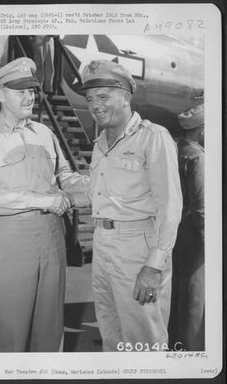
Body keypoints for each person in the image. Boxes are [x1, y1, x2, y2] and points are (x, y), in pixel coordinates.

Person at [0, 57, 89, 352]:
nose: (29, 97)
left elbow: (64, 176)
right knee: (11, 330)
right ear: (0, 94)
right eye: (20, 91)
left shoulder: (45, 133)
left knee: (50, 328)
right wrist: (44, 200)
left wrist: (97, 182)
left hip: (51, 237)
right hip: (11, 239)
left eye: (32, 90)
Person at [80, 60, 183, 352]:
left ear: (125, 96)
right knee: (111, 332)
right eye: (90, 99)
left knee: (144, 337)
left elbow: (170, 206)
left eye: (103, 97)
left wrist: (153, 265)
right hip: (102, 244)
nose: (94, 106)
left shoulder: (153, 137)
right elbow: (102, 193)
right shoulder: (100, 141)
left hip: (137, 247)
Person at [169, 104, 205, 351]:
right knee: (195, 295)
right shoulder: (197, 156)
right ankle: (192, 348)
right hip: (193, 230)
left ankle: (173, 341)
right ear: (201, 130)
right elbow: (201, 203)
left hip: (177, 230)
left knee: (176, 290)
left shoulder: (176, 149)